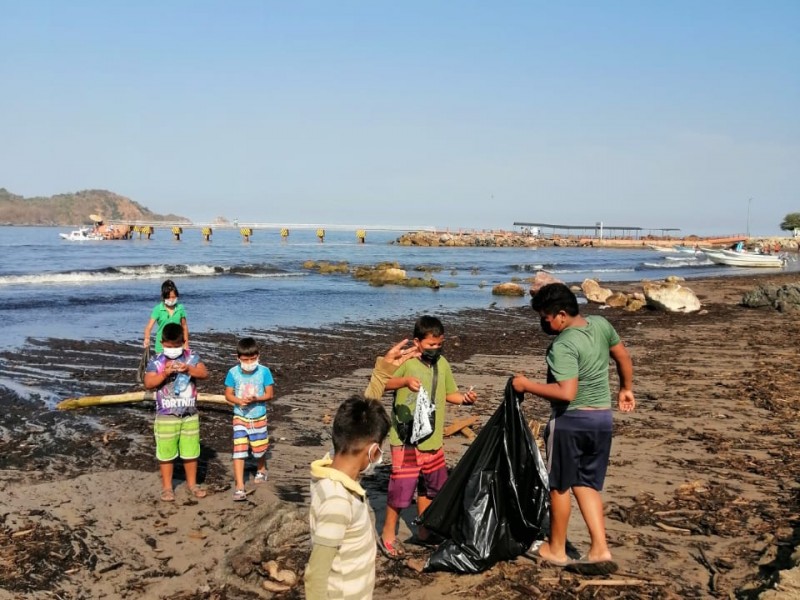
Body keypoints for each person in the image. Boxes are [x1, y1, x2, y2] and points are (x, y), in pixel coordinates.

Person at [512, 283, 635, 574]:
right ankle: (599, 549)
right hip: (601, 420)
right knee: (586, 484)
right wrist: (626, 389)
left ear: (562, 315)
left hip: (570, 422)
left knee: (560, 485)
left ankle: (556, 549)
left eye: (546, 317)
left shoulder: (563, 344)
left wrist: (526, 385)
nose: (544, 322)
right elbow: (623, 356)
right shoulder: (601, 324)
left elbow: (566, 392)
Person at [304, 340, 418, 600]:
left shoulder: (330, 475)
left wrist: (382, 372)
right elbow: (316, 575)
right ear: (373, 452)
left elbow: (365, 422)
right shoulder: (337, 501)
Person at [378, 315, 477, 558]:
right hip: (406, 438)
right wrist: (404, 381)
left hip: (432, 439)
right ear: (417, 342)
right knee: (401, 489)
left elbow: (449, 393)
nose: (435, 349)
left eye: (439, 344)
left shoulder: (442, 364)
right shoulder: (408, 361)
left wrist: (464, 399)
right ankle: (388, 535)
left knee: (431, 486)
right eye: (431, 345)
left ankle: (425, 531)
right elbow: (382, 383)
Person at [143, 322, 209, 502]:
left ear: (183, 342)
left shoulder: (191, 357)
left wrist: (188, 369)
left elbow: (204, 373)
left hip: (189, 413)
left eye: (176, 346)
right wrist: (164, 374)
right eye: (169, 346)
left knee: (191, 451)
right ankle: (166, 487)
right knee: (166, 453)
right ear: (162, 342)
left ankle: (192, 484)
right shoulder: (156, 361)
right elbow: (148, 383)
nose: (172, 349)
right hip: (166, 415)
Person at [224, 337, 275, 501]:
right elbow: (228, 394)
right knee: (239, 450)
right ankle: (239, 487)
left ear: (258, 356)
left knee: (259, 447)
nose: (249, 362)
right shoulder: (233, 373)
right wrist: (239, 401)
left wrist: (256, 399)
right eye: (246, 360)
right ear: (238, 358)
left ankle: (261, 469)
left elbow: (269, 394)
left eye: (253, 359)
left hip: (258, 416)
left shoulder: (264, 371)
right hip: (240, 417)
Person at [144, 279, 189, 354]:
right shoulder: (158, 309)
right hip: (161, 346)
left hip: (177, 345)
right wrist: (147, 338)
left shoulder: (180, 308)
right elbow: (149, 327)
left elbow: (184, 326)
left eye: (173, 297)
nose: (171, 300)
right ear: (163, 297)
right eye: (168, 297)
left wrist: (186, 343)